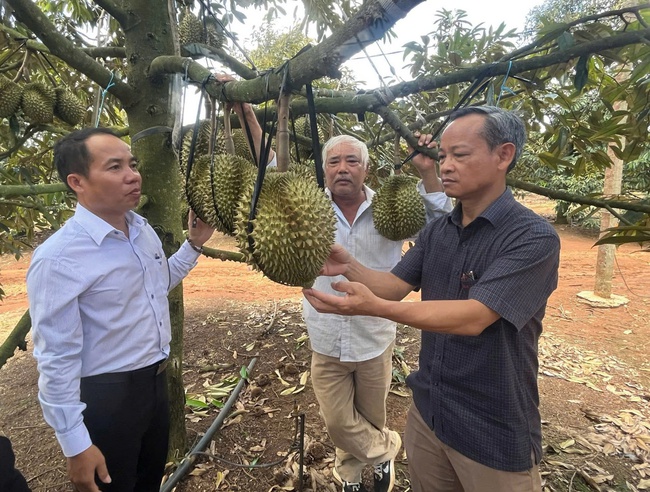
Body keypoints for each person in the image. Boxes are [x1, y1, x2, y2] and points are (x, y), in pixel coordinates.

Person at [303, 106, 561, 492]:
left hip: (492, 424)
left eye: (460, 155)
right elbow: (393, 284)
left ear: (503, 156)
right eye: (443, 157)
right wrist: (347, 265)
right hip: (431, 413)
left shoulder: (531, 237)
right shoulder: (439, 232)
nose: (446, 167)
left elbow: (475, 316)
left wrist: (376, 308)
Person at [27, 127, 215, 492]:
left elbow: (157, 284)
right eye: (115, 167)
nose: (133, 175)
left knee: (147, 484)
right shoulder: (58, 258)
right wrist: (74, 442)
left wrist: (194, 245)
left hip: (155, 387)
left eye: (132, 163)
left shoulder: (141, 229)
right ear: (77, 181)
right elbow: (56, 355)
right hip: (107, 400)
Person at [306, 134, 452, 492]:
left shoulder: (391, 206)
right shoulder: (307, 208)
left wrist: (428, 172)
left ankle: (350, 473)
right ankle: (385, 451)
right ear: (324, 170)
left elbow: (442, 221)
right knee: (338, 421)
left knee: (371, 413)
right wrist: (248, 114)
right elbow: (274, 180)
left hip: (375, 333)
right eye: (334, 161)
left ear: (367, 169)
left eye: (352, 161)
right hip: (326, 333)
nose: (342, 168)